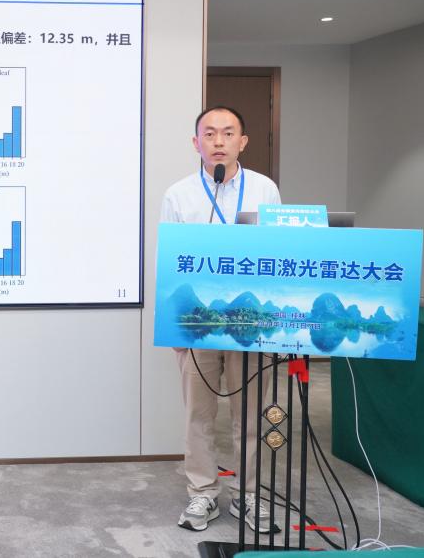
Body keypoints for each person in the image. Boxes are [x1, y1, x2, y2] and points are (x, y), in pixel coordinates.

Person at [159, 106, 282, 533]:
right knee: (199, 413)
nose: (218, 141)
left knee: (251, 414)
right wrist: (175, 327)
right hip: (198, 323)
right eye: (209, 133)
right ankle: (203, 492)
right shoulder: (179, 194)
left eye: (228, 133)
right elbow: (170, 263)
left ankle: (250, 496)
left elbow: (279, 254)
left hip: (251, 322)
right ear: (196, 143)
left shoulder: (264, 189)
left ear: (242, 142)